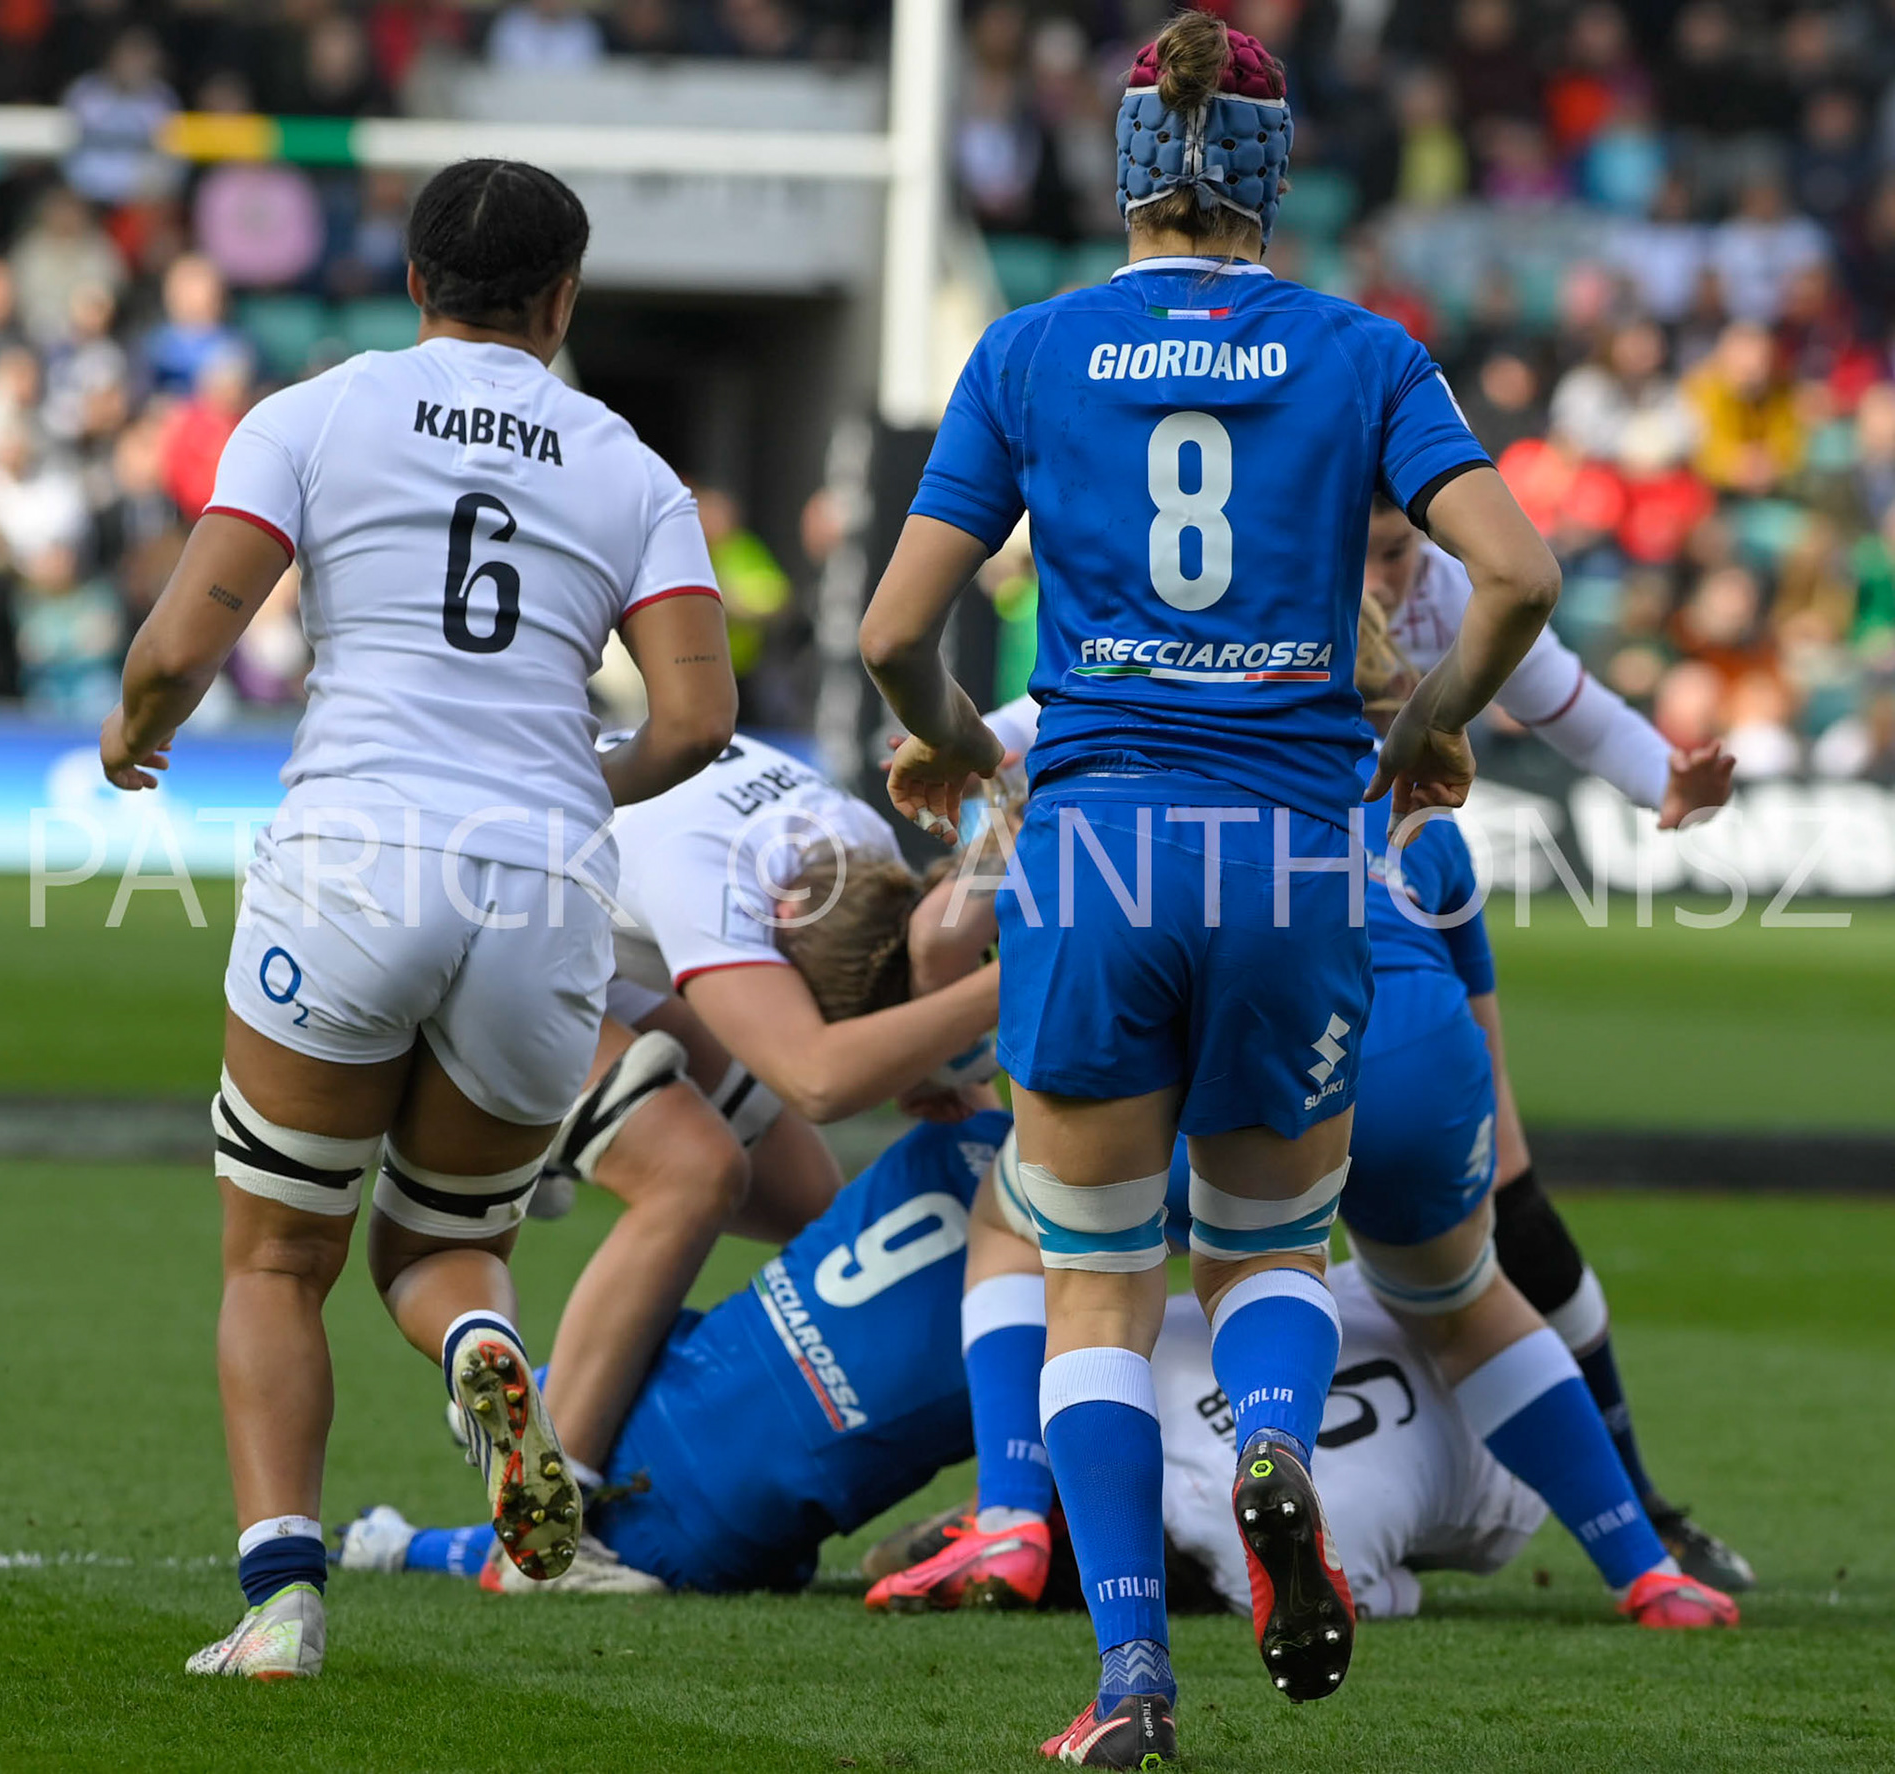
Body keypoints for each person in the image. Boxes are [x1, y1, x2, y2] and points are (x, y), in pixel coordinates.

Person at [857, 14, 1559, 1761]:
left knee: (1093, 1279)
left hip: (1099, 847)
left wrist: (955, 743)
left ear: (1124, 167)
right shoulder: (1364, 352)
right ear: (1273, 167)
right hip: (1297, 845)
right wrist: (1432, 734)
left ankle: (1130, 1682)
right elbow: (1520, 575)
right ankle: (1266, 1438)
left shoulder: (1027, 352)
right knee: (1269, 1253)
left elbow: (889, 632)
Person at [98, 158, 738, 1680]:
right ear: (564, 298)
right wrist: (586, 778)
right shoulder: (629, 465)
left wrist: (138, 725)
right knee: (443, 1242)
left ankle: (280, 1603)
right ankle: (484, 1357)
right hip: (544, 886)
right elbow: (701, 714)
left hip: (354, 855)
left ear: (412, 283)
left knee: (276, 1257)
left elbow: (194, 626)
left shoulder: (316, 411)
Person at [971, 498, 1753, 1596]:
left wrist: (957, 744)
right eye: (1375, 555)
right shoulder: (1428, 791)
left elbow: (1060, 715)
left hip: (1246, 973)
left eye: (1402, 552)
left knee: (1061, 1239)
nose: (1390, 578)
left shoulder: (1233, 610)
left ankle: (1018, 1522)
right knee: (1468, 1288)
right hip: (1407, 1037)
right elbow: (1469, 956)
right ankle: (1644, 1563)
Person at [338, 1115, 1564, 1626]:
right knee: (1139, 1319)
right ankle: (1015, 1518)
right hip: (719, 1529)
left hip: (682, 1388)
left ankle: (457, 1508)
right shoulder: (1115, 1244)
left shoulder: (950, 1142)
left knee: (702, 1375)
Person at [524, 726, 1005, 1484]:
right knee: (691, 1174)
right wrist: (1003, 984)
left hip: (577, 920)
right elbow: (818, 1078)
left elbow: (904, 1008)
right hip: (481, 934)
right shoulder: (710, 876)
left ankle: (566, 1384)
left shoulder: (859, 851)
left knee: (813, 1205)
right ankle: (546, 1511)